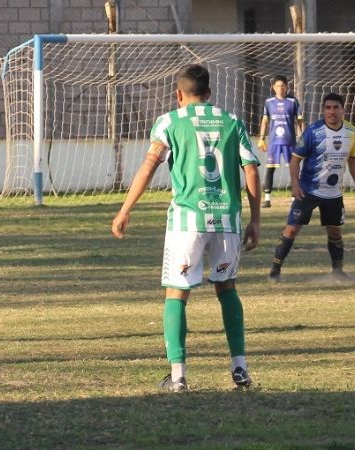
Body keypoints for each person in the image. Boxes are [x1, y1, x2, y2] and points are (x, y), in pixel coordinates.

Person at [111, 64, 261, 392]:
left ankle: (178, 376)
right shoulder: (232, 121)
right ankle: (239, 367)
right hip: (226, 220)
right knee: (227, 288)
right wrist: (255, 219)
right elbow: (250, 169)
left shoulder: (169, 122)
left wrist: (125, 209)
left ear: (179, 95)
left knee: (177, 293)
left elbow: (149, 166)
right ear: (209, 94)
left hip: (187, 222)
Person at [268, 92, 355, 282]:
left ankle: (338, 271)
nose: (332, 112)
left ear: (343, 110)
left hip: (333, 193)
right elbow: (295, 159)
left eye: (336, 107)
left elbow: (353, 160)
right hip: (308, 190)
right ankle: (275, 270)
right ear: (323, 110)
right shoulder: (313, 132)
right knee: (291, 229)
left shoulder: (351, 132)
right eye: (328, 108)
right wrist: (295, 185)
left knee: (335, 232)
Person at [257, 75, 304, 208]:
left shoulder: (293, 101)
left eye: (283, 86)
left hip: (290, 142)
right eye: (277, 86)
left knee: (294, 169)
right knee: (270, 169)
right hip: (274, 142)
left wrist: (304, 136)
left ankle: (295, 197)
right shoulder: (269, 102)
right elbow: (265, 120)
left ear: (287, 87)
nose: (280, 88)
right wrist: (261, 138)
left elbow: (300, 120)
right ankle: (267, 199)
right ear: (273, 87)